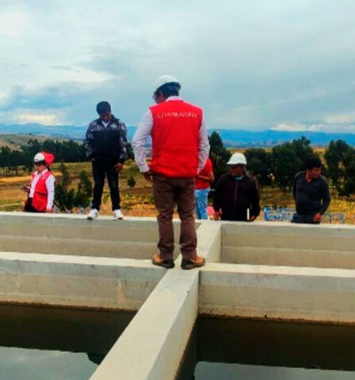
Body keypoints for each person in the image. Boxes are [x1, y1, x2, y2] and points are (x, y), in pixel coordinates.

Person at [131, 75, 210, 269]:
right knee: (187, 216)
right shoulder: (197, 112)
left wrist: (144, 168)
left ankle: (165, 256)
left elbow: (136, 141)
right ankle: (190, 256)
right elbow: (204, 145)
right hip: (187, 174)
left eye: (156, 97)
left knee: (165, 215)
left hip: (163, 175)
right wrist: (196, 168)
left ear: (160, 94)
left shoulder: (154, 112)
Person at [85, 101, 128, 220]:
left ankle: (116, 209)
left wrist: (121, 160)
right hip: (98, 160)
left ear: (110, 112)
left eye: (107, 114)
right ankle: (95, 209)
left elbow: (123, 143)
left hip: (113, 160)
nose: (105, 117)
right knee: (98, 184)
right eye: (102, 115)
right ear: (99, 114)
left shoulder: (119, 124)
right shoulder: (93, 125)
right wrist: (90, 156)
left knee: (114, 185)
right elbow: (88, 142)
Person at [212, 153, 260, 222]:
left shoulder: (250, 182)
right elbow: (217, 195)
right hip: (226, 217)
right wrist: (216, 209)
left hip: (243, 218)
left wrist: (255, 213)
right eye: (231, 167)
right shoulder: (223, 179)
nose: (232, 169)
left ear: (242, 167)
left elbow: (255, 199)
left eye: (235, 167)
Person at [291, 156, 331, 224]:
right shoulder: (298, 177)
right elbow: (295, 192)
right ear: (308, 170)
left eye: (319, 170)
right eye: (315, 170)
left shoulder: (322, 182)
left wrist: (319, 213)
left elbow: (327, 199)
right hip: (299, 216)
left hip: (313, 217)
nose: (318, 172)